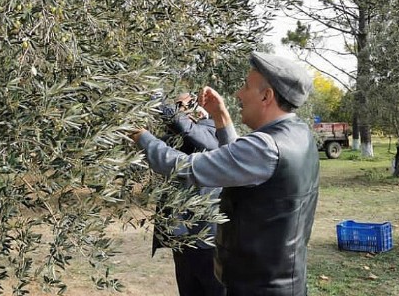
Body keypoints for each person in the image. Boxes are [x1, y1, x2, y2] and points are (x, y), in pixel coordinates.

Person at [132, 52, 319, 296]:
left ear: (266, 96)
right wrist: (221, 116)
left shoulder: (264, 147)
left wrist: (142, 136)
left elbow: (184, 167)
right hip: (281, 283)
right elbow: (242, 162)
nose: (238, 94)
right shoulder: (299, 134)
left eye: (245, 86)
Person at [153, 92, 225, 296]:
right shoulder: (176, 137)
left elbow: (191, 131)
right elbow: (160, 146)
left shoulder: (213, 130)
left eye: (184, 104)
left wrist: (160, 102)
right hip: (182, 237)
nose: (181, 109)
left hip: (208, 238)